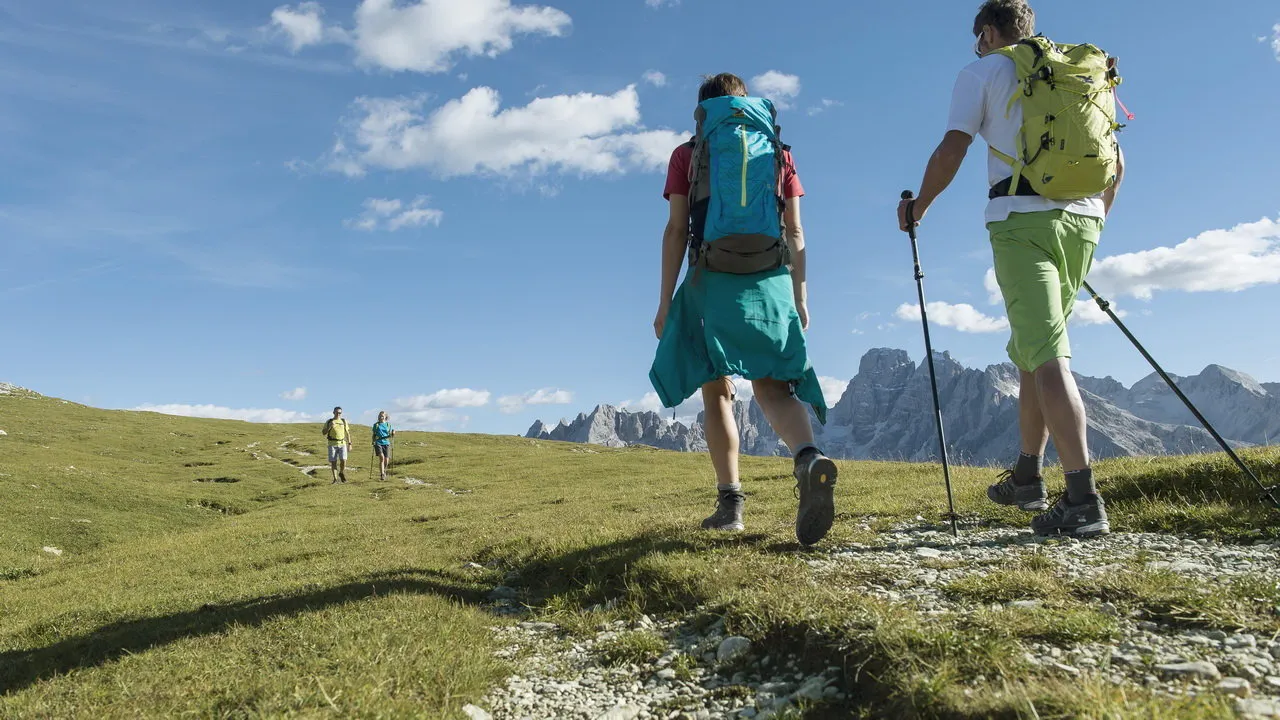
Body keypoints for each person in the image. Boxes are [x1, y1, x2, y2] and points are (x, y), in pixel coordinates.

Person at [897, 0, 1125, 537]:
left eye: (977, 37)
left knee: (1046, 355)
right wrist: (1093, 220)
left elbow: (953, 147)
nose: (976, 46)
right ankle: (1027, 475)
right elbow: (1115, 160)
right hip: (1085, 219)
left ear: (989, 32)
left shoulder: (983, 71)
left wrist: (918, 208)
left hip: (1021, 219)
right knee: (1031, 349)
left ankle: (1083, 498)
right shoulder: (1080, 72)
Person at [650, 72, 838, 546]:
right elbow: (795, 232)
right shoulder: (778, 152)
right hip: (770, 278)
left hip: (711, 278)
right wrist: (800, 296)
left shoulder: (687, 154)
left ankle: (730, 505)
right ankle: (808, 457)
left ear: (702, 111)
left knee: (716, 390)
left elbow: (676, 230)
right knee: (773, 386)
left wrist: (665, 302)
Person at [321, 406, 352, 484]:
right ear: (333, 412)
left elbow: (347, 433)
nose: (338, 414)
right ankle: (335, 479)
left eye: (340, 413)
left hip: (342, 443)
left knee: (343, 460)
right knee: (333, 462)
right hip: (332, 444)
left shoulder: (343, 421)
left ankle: (341, 472)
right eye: (337, 412)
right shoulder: (329, 421)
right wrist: (329, 426)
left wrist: (350, 443)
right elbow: (323, 432)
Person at [371, 411, 395, 481]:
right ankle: (382, 474)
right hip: (378, 442)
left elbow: (390, 434)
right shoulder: (376, 425)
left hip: (386, 442)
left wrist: (393, 433)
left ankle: (384, 471)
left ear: (385, 417)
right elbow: (374, 434)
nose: (381, 417)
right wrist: (373, 441)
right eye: (379, 416)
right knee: (381, 457)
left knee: (386, 460)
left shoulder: (388, 425)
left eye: (382, 416)